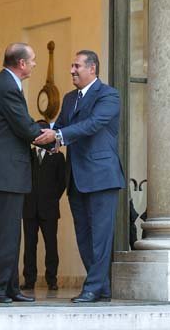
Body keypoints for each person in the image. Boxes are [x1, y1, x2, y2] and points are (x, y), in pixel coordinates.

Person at [34, 50, 125, 303]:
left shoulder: (109, 95)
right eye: (71, 66)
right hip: (75, 177)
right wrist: (43, 138)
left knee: (100, 236)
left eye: (77, 66)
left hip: (102, 177)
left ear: (92, 68)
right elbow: (60, 127)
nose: (72, 70)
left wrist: (58, 137)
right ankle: (101, 288)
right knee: (84, 236)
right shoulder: (69, 97)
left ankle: (93, 287)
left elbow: (93, 124)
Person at [0, 43, 44, 304]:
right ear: (21, 63)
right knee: (3, 233)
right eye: (33, 60)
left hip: (7, 173)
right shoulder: (6, 85)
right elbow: (24, 126)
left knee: (11, 233)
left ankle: (10, 287)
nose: (35, 64)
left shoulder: (5, 82)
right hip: (4, 172)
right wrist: (52, 138)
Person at [21, 120, 66, 291]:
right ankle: (29, 279)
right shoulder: (27, 155)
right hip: (29, 208)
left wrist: (52, 198)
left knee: (51, 245)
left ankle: (52, 279)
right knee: (29, 246)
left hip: (49, 208)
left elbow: (62, 182)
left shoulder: (57, 156)